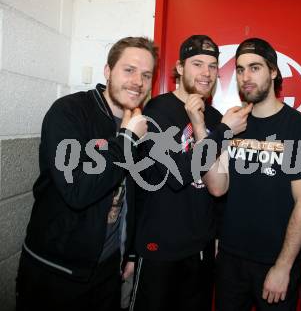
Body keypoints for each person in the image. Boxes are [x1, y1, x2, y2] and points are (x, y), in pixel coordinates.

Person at [15, 36, 157, 311]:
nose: (138, 81)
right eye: (129, 70)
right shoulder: (69, 112)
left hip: (106, 270)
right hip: (56, 272)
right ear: (108, 71)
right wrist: (126, 140)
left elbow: (133, 193)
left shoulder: (140, 125)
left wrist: (129, 251)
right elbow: (77, 191)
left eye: (146, 75)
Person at [129, 35, 252, 311]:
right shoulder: (157, 110)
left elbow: (218, 188)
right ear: (180, 68)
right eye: (197, 64)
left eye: (212, 66)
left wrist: (216, 236)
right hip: (160, 248)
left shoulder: (214, 116)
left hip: (199, 249)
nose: (206, 73)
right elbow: (176, 175)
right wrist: (221, 133)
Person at [203, 37, 301, 311]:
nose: (246, 76)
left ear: (273, 71)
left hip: (276, 261)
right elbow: (218, 187)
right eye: (241, 69)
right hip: (230, 260)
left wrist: (283, 266)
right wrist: (220, 134)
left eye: (255, 67)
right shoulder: (232, 124)